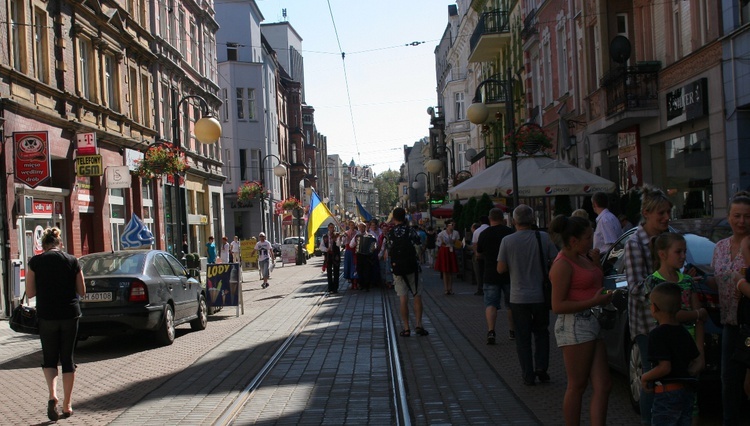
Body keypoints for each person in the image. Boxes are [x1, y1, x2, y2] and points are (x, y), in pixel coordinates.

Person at [548, 215, 613, 426]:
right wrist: (592, 301)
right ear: (573, 240)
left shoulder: (583, 256)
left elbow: (595, 281)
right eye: (587, 237)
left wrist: (596, 265)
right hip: (576, 325)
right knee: (577, 385)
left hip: (592, 322)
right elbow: (558, 305)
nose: (591, 241)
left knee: (603, 384)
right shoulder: (563, 265)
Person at [25, 227, 86, 421]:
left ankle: (53, 395)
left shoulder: (35, 262)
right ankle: (67, 405)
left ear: (43, 245)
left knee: (50, 358)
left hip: (47, 316)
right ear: (59, 243)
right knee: (67, 358)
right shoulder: (72, 261)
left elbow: (31, 292)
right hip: (69, 314)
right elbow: (82, 291)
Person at [624, 185, 672, 425]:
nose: (666, 218)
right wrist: (662, 277)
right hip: (646, 323)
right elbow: (634, 287)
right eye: (660, 214)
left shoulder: (669, 236)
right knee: (651, 378)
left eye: (668, 212)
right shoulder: (635, 243)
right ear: (646, 213)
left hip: (671, 320)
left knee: (671, 378)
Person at [647, 232, 707, 424]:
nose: (683, 256)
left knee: (692, 402)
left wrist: (700, 354)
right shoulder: (654, 282)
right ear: (662, 254)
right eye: (678, 252)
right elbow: (673, 313)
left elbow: (700, 320)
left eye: (684, 252)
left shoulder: (687, 281)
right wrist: (697, 314)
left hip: (688, 348)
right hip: (667, 348)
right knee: (667, 401)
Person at [497, 204, 558, 386]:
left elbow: (500, 269)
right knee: (541, 332)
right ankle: (541, 368)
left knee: (522, 337)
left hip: (518, 297)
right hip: (540, 294)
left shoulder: (507, 241)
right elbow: (556, 261)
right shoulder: (544, 238)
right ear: (532, 220)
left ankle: (527, 374)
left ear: (514, 221)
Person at [710, 191, 750, 425]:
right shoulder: (720, 247)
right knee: (728, 380)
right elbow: (717, 278)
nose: (742, 221)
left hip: (749, 324)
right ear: (729, 216)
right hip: (729, 324)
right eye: (737, 215)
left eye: (747, 216)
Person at [641, 282, 703, 426]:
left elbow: (664, 367)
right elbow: (696, 360)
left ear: (654, 308)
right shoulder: (684, 332)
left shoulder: (657, 334)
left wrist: (645, 377)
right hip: (685, 392)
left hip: (666, 393)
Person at [387, 207, 429, 337]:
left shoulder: (391, 233)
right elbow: (419, 245)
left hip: (398, 269)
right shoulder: (410, 230)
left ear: (394, 218)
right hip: (413, 267)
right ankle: (418, 324)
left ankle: (406, 328)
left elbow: (388, 250)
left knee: (403, 298)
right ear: (405, 217)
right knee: (417, 295)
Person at [476, 208, 513, 344]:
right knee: (510, 304)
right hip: (508, 273)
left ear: (490, 219)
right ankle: (512, 331)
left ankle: (491, 331)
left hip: (490, 273)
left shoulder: (484, 234)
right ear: (502, 219)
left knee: (491, 304)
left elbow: (479, 253)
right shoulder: (509, 232)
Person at [434, 220, 460, 295]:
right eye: (452, 224)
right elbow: (438, 243)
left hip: (451, 250)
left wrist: (457, 243)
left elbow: (457, 243)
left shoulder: (456, 233)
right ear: (447, 225)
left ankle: (450, 288)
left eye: (454, 224)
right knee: (445, 271)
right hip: (444, 250)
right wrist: (441, 242)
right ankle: (446, 288)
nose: (453, 226)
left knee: (451, 271)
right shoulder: (442, 233)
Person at [319, 223, 342, 294]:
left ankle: (335, 288)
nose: (332, 229)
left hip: (335, 256)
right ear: (328, 228)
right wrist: (326, 249)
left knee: (336, 271)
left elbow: (339, 245)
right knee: (329, 272)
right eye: (330, 227)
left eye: (333, 227)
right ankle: (330, 287)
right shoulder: (325, 236)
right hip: (328, 256)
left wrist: (338, 239)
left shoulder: (337, 235)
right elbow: (321, 247)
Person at [472, 216, 490, 296]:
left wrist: (476, 254)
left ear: (480, 222)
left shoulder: (477, 231)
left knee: (480, 272)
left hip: (480, 255)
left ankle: (480, 288)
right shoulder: (491, 229)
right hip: (490, 255)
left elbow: (475, 244)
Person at [342, 220, 358, 289]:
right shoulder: (346, 233)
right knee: (349, 266)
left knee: (355, 267)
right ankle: (351, 281)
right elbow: (344, 242)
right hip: (349, 251)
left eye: (353, 225)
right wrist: (345, 237)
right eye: (351, 225)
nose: (352, 226)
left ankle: (356, 282)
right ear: (349, 226)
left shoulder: (357, 233)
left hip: (355, 251)